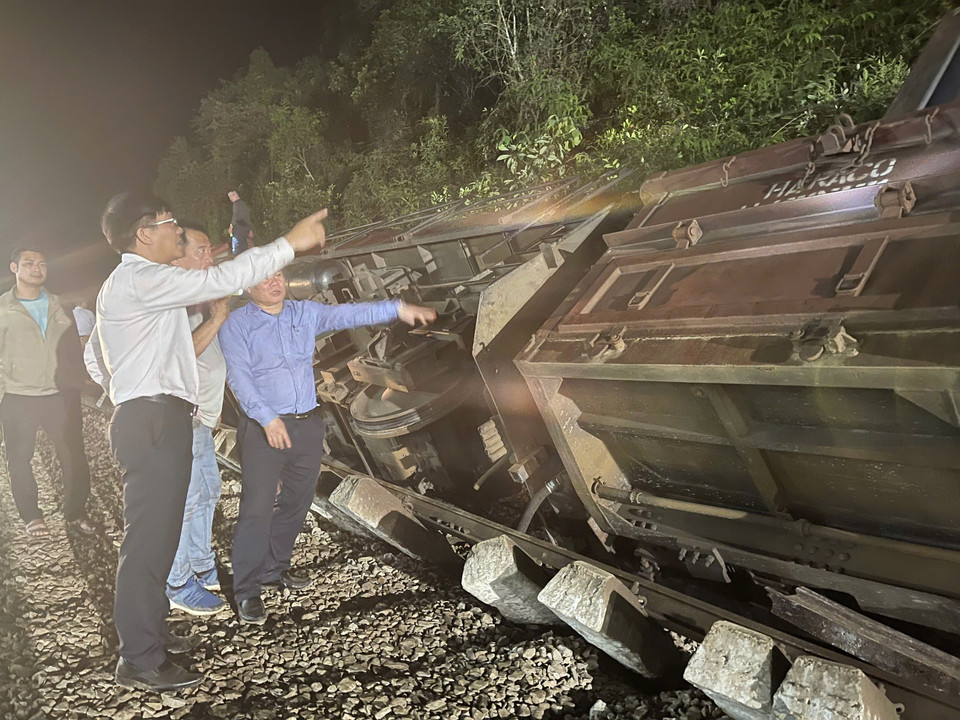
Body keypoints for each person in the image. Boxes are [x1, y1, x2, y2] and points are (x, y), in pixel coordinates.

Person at [97, 192, 329, 692]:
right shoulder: (140, 277)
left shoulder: (143, 286)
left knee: (157, 540)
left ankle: (151, 633)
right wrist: (289, 244)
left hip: (164, 417)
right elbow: (218, 278)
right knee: (147, 543)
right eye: (170, 224)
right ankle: (139, 658)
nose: (177, 234)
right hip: (152, 419)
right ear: (143, 233)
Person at [219, 271, 436, 625]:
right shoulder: (237, 325)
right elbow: (239, 377)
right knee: (256, 509)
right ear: (247, 287)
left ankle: (275, 569)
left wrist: (398, 309)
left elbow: (349, 314)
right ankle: (247, 591)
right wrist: (266, 418)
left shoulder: (305, 313)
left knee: (297, 501)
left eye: (278, 275)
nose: (274, 283)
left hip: (306, 423)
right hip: (263, 428)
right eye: (264, 278)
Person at [0, 247, 95, 539]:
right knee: (19, 457)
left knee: (74, 455)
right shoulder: (3, 308)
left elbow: (74, 349)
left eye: (42, 263)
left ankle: (76, 512)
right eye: (29, 264)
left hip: (60, 395)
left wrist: (80, 379)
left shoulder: (61, 306)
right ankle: (31, 514)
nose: (37, 269)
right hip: (18, 395)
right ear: (14, 268)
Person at [228, 190, 253, 255]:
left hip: (239, 229)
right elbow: (248, 217)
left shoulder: (236, 203)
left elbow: (235, 215)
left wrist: (231, 226)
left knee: (237, 249)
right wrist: (249, 229)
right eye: (229, 197)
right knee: (243, 247)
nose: (230, 198)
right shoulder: (243, 204)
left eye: (231, 196)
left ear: (236, 196)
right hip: (245, 228)